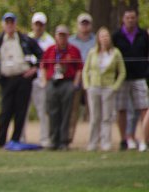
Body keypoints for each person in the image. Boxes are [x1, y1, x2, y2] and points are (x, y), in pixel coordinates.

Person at [0, 12, 43, 150]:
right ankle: (0, 140)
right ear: (3, 24)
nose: (9, 25)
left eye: (12, 22)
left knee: (21, 110)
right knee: (5, 110)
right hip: (6, 79)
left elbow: (41, 54)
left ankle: (16, 139)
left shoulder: (25, 39)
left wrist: (34, 69)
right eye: (7, 23)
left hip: (23, 78)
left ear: (15, 24)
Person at [82, 27, 126, 151]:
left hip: (108, 88)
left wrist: (115, 87)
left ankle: (106, 142)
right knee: (95, 117)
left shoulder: (115, 53)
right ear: (98, 39)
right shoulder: (92, 52)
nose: (105, 38)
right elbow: (86, 70)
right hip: (94, 87)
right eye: (102, 36)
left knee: (107, 117)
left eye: (106, 36)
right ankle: (93, 143)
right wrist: (87, 86)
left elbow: (122, 72)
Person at [41, 25, 83, 150]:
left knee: (66, 112)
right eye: (59, 35)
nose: (61, 38)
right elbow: (43, 66)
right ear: (56, 36)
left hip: (68, 82)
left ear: (68, 36)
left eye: (64, 35)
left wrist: (76, 84)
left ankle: (64, 141)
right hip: (52, 82)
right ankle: (53, 140)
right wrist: (44, 82)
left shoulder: (74, 50)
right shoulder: (49, 50)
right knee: (52, 112)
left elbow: (79, 69)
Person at [112, 9, 148, 152]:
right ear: (123, 18)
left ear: (136, 18)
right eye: (127, 17)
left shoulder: (143, 35)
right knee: (122, 109)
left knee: (144, 108)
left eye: (133, 17)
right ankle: (124, 140)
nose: (130, 20)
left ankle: (145, 139)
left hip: (140, 76)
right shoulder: (117, 36)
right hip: (123, 78)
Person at [24, 12, 55, 147]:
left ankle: (44, 139)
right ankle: (20, 138)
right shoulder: (25, 39)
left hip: (41, 80)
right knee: (22, 110)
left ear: (44, 26)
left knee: (43, 111)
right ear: (32, 25)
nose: (38, 27)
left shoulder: (50, 41)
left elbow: (49, 62)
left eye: (41, 25)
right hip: (26, 80)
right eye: (36, 24)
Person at [68, 13, 96, 143]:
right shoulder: (71, 41)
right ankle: (68, 138)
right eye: (82, 23)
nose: (84, 26)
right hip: (76, 78)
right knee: (73, 110)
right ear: (78, 25)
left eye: (87, 23)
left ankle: (93, 139)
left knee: (93, 110)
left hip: (92, 78)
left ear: (90, 25)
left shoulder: (96, 41)